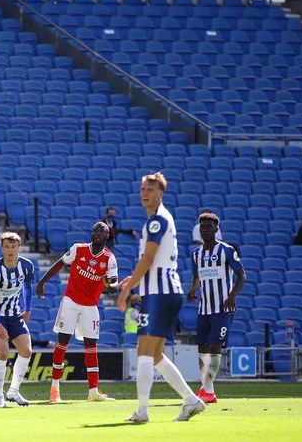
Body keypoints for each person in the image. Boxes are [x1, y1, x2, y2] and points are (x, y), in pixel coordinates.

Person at [117, 172, 205, 423]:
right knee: (154, 355)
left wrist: (126, 290)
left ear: (161, 193)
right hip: (163, 291)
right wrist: (133, 280)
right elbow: (153, 263)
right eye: (143, 188)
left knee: (144, 352)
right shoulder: (159, 220)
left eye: (151, 189)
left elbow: (148, 259)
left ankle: (142, 411)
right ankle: (191, 400)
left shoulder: (156, 221)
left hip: (160, 293)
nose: (145, 193)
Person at [36, 221, 118, 403]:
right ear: (91, 233)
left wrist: (111, 286)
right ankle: (54, 389)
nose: (98, 233)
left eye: (102, 231)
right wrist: (42, 281)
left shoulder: (109, 258)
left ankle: (93, 392)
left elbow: (112, 284)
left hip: (90, 306)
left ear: (107, 236)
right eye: (95, 230)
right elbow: (59, 263)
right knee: (62, 344)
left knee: (91, 347)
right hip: (70, 302)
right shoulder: (78, 249)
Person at [187, 211, 246, 404]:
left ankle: (208, 390)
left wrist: (231, 296)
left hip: (222, 309)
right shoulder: (196, 254)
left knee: (214, 346)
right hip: (204, 308)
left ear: (216, 229)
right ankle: (206, 387)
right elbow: (197, 277)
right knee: (202, 348)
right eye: (202, 227)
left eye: (209, 227)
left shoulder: (227, 250)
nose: (205, 230)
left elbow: (241, 276)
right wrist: (192, 290)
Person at [0, 231, 36, 408]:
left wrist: (27, 308)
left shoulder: (27, 266)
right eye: (7, 247)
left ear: (19, 248)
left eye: (13, 246)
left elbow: (28, 286)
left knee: (26, 351)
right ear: (2, 249)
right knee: (3, 353)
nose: (10, 250)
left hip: (14, 314)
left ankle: (13, 391)